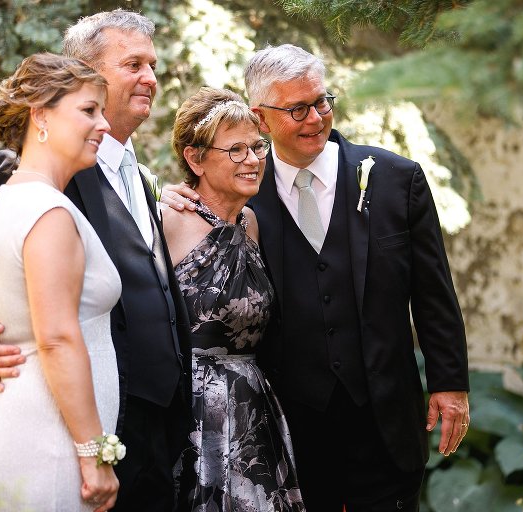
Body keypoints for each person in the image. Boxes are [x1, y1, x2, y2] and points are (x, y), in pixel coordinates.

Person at [163, 44, 470, 511]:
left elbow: (434, 293)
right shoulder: (242, 193)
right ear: (261, 118)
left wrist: (450, 384)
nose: (315, 119)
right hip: (288, 428)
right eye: (297, 109)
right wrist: (168, 195)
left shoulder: (394, 178)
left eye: (322, 102)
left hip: (384, 421)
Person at [0, 10, 191, 510]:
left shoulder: (139, 175)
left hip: (160, 424)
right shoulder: (32, 168)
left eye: (153, 65)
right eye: (133, 64)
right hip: (85, 428)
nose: (151, 78)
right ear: (88, 72)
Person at [0, 52, 120, 511]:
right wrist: (96, 454)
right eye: (88, 110)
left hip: (31, 438)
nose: (104, 125)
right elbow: (56, 338)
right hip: (50, 450)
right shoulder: (48, 212)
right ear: (41, 115)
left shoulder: (15, 198)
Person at [164, 87, 305, 511]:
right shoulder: (168, 219)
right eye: (236, 149)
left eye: (257, 147)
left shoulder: (251, 223)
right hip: (190, 411)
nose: (253, 159)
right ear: (195, 159)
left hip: (251, 406)